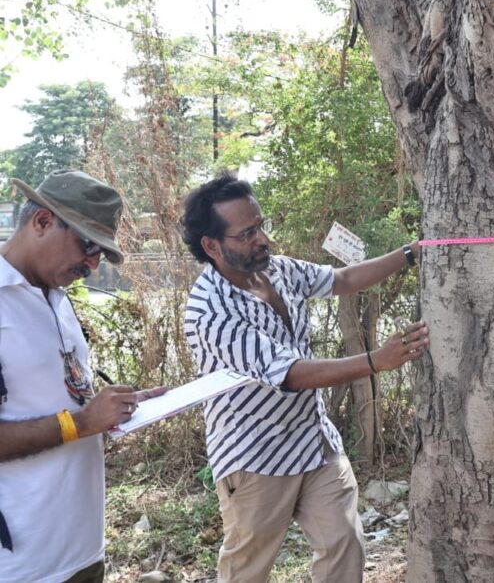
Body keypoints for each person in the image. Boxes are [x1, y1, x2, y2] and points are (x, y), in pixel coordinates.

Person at [180, 174, 429, 582]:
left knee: (344, 541)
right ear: (212, 245)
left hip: (312, 441)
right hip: (254, 456)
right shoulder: (208, 311)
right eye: (247, 234)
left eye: (261, 225)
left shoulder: (277, 270)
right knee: (248, 569)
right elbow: (291, 374)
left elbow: (342, 280)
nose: (263, 240)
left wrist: (410, 253)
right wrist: (375, 360)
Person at [0, 170, 165, 583]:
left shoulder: (56, 298)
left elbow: (64, 398)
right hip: (23, 565)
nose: (92, 264)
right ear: (42, 222)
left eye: (101, 254)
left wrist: (111, 413)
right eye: (88, 245)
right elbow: (74, 421)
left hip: (82, 547)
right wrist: (83, 422)